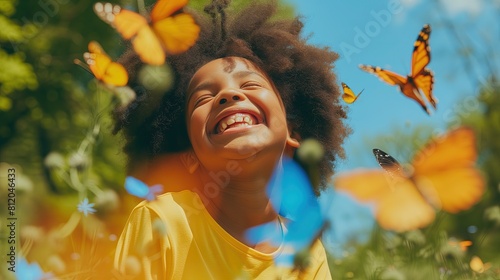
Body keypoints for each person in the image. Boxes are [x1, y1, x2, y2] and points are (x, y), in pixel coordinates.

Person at [112, 0, 349, 279]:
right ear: (188, 154)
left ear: (293, 133)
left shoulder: (307, 250)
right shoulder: (161, 219)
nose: (228, 95)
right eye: (204, 97)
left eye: (249, 84)